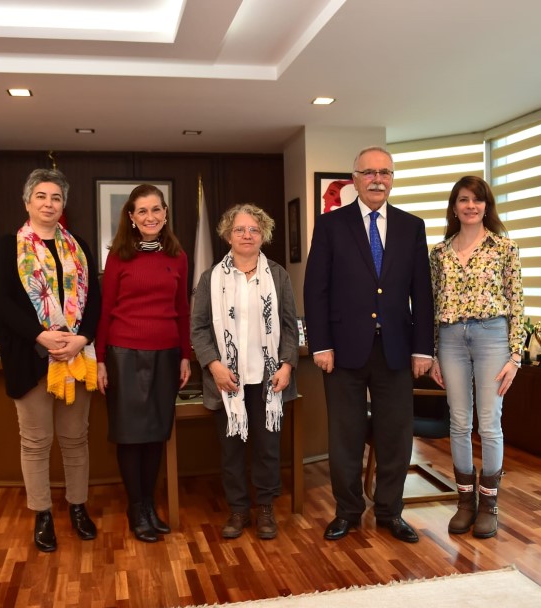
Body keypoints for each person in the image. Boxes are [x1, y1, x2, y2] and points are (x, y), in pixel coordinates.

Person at [303, 146, 434, 543]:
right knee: (345, 435)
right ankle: (347, 512)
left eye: (385, 172)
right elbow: (316, 289)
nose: (378, 179)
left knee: (396, 435)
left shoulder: (412, 227)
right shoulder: (331, 225)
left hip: (396, 348)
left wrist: (423, 349)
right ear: (356, 179)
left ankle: (390, 511)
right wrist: (321, 344)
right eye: (370, 172)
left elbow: (422, 293)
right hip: (343, 350)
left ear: (392, 179)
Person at [0, 168, 100, 553]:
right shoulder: (8, 247)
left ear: (63, 204)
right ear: (27, 202)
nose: (49, 203)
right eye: (41, 196)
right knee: (36, 442)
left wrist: (81, 339)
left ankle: (78, 507)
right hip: (31, 357)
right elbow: (3, 302)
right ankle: (42, 514)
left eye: (56, 197)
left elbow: (95, 300)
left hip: (75, 357)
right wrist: (40, 335)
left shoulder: (79, 247)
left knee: (75, 439)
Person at [191, 203, 299, 540]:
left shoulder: (278, 275)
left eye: (254, 229)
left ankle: (265, 508)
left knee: (268, 449)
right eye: (240, 229)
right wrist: (214, 366)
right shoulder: (211, 278)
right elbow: (198, 329)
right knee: (232, 451)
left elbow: (289, 326)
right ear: (228, 235)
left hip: (269, 380)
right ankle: (238, 510)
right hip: (228, 380)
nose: (247, 235)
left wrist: (287, 364)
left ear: (263, 235)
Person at [428, 175, 525, 539]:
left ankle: (489, 505)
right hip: (450, 338)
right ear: (454, 207)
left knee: (489, 423)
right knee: (458, 421)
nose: (471, 206)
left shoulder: (504, 248)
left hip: (492, 337)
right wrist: (433, 354)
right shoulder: (438, 253)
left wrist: (515, 356)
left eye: (477, 200)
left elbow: (517, 302)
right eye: (464, 199)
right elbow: (432, 304)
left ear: (486, 206)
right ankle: (465, 502)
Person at [96, 184, 191, 543]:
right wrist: (100, 360)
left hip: (166, 354)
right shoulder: (118, 256)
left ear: (165, 213)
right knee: (131, 436)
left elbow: (182, 309)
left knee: (155, 435)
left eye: (156, 209)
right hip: (124, 354)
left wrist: (185, 355)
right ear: (132, 217)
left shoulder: (178, 256)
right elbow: (106, 310)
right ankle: (136, 508)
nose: (150, 217)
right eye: (142, 211)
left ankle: (149, 506)